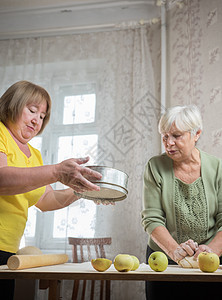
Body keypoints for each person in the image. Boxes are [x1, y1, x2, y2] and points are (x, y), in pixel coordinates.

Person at [0, 80, 103, 299]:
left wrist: (82, 190)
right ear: (12, 105)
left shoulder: (34, 155)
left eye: (43, 116)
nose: (37, 120)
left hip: (7, 250)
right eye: (32, 110)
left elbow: (47, 200)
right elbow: (2, 179)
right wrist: (56, 171)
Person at [141, 104, 222, 299]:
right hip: (165, 260)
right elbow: (152, 218)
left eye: (176, 136)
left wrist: (210, 251)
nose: (168, 143)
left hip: (210, 261)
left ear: (197, 134)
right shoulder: (155, 166)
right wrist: (174, 250)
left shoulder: (217, 167)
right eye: (165, 136)